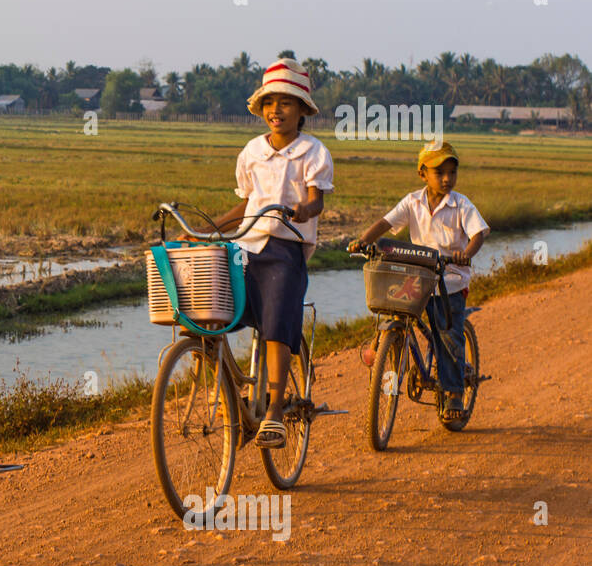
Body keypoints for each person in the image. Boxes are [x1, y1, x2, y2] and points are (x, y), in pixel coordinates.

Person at [204, 58, 334, 447]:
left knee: (277, 323)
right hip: (247, 244)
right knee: (209, 309)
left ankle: (275, 408)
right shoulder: (251, 152)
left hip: (285, 247)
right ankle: (227, 394)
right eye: (269, 103)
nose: (276, 110)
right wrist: (210, 230)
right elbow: (246, 206)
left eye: (286, 103)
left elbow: (316, 202)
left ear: (302, 111)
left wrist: (302, 210)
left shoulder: (313, 151)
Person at [348, 141, 489, 421]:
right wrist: (363, 240)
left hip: (450, 282)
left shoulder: (461, 204)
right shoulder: (412, 202)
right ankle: (383, 361)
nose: (447, 179)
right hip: (419, 279)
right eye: (440, 173)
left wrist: (465, 254)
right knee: (391, 310)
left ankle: (453, 393)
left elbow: (478, 234)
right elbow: (386, 223)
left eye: (452, 172)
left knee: (447, 337)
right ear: (422, 174)